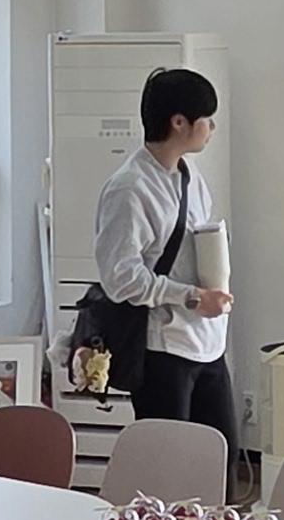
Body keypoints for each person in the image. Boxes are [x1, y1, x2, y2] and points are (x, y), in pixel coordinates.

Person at [96, 66, 235, 444]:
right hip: (163, 349)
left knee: (221, 454)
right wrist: (191, 296)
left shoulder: (190, 176)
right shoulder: (129, 188)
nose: (211, 127)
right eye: (206, 118)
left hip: (208, 343)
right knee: (170, 461)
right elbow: (120, 277)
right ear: (178, 122)